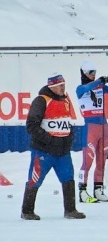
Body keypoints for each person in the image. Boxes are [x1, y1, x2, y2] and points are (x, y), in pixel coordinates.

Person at [21, 73, 85, 220]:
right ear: (52, 86)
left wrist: (69, 138)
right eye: (60, 86)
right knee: (35, 179)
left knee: (68, 178)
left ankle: (70, 210)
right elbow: (31, 126)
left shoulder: (65, 100)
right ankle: (27, 211)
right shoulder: (41, 100)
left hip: (62, 152)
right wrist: (50, 140)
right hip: (44, 151)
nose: (63, 88)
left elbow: (66, 123)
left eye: (64, 85)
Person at [76, 61, 108, 203]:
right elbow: (86, 88)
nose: (93, 74)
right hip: (90, 128)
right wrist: (100, 80)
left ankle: (98, 190)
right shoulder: (80, 88)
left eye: (94, 72)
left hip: (103, 127)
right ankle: (82, 191)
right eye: (90, 72)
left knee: (101, 161)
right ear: (83, 73)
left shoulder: (99, 86)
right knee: (87, 162)